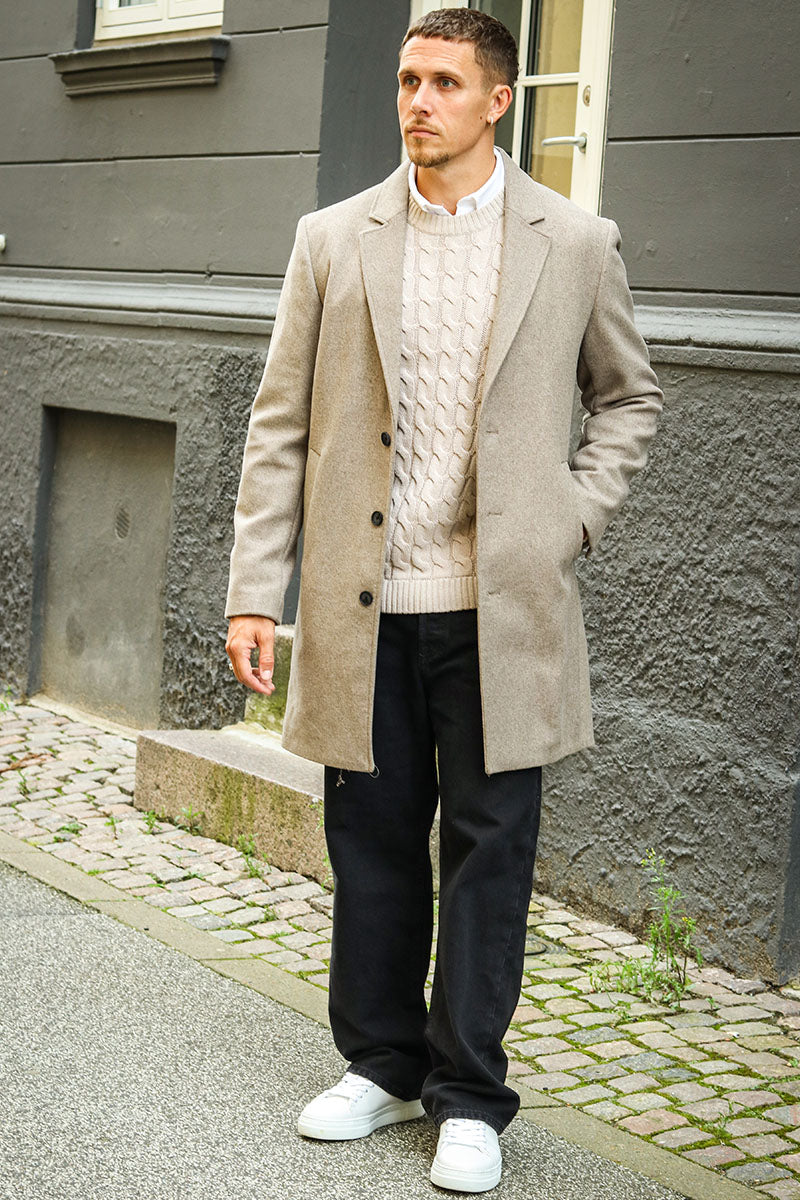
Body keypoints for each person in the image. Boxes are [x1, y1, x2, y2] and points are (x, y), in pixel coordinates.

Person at [225, 8, 663, 1194]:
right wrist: (254, 593)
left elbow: (628, 398)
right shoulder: (333, 238)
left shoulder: (574, 242)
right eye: (407, 79)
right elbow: (277, 424)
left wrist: (570, 517)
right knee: (370, 848)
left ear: (497, 101)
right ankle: (379, 1065)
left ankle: (468, 1094)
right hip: (362, 605)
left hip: (500, 614)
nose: (417, 101)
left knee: (488, 854)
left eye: (443, 84)